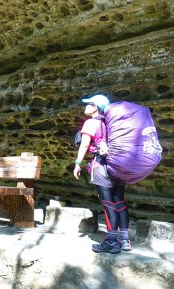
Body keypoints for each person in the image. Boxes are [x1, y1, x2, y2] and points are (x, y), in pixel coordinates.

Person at [73, 94, 131, 254]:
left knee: (107, 203)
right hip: (117, 166)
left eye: (89, 104)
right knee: (119, 201)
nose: (86, 106)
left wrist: (77, 163)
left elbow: (84, 145)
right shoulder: (111, 123)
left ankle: (112, 241)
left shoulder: (91, 123)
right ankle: (125, 240)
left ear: (96, 107)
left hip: (101, 166)